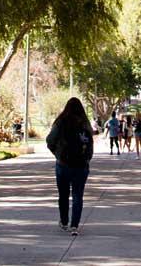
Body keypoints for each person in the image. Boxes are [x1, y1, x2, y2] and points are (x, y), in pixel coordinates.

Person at [46, 97, 94, 235]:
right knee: (78, 195)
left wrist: (58, 155)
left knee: (63, 194)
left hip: (63, 165)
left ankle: (64, 221)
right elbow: (90, 145)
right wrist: (86, 159)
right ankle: (74, 225)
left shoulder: (61, 122)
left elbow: (50, 141)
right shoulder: (85, 124)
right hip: (81, 166)